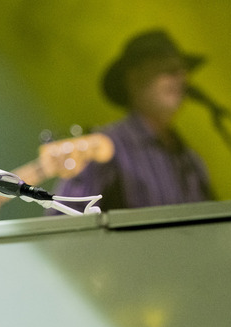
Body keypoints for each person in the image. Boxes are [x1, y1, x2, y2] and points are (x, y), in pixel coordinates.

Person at [51, 29, 214, 212]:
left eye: (182, 71)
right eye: (168, 70)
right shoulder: (105, 147)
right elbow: (62, 218)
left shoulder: (191, 160)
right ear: (134, 78)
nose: (181, 79)